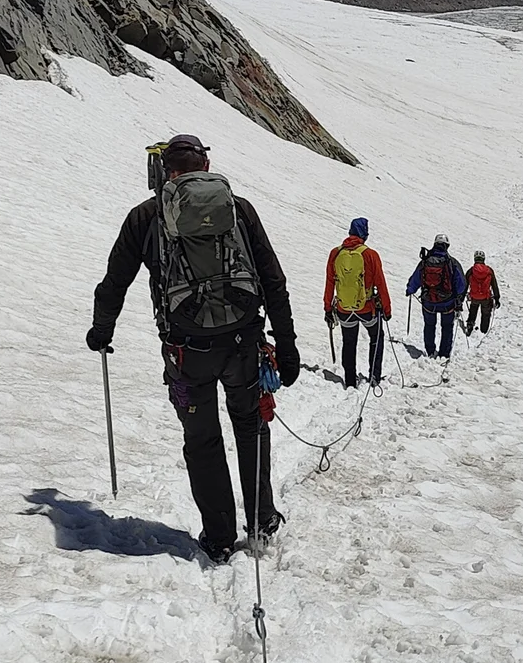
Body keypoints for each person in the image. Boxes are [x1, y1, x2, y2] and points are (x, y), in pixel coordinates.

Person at [89, 133, 298, 562]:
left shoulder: (145, 217)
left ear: (166, 171)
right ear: (205, 166)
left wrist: (101, 329)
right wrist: (288, 344)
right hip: (244, 344)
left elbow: (116, 282)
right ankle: (261, 520)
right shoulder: (239, 210)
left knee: (202, 441)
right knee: (251, 427)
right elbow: (273, 280)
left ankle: (219, 536)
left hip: (186, 353)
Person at [325, 217, 391, 389]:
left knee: (349, 342)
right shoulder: (370, 254)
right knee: (376, 337)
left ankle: (349, 381)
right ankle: (374, 377)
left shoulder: (336, 253)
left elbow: (330, 282)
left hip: (344, 309)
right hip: (367, 307)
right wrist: (386, 308)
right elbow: (380, 283)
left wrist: (327, 308)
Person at [408, 233, 467, 359]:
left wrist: (410, 289)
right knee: (447, 327)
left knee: (429, 325)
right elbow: (461, 284)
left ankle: (430, 351)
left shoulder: (425, 261)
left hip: (429, 301)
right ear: (447, 246)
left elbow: (416, 278)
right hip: (448, 303)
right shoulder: (452, 262)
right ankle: (444, 354)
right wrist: (459, 298)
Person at [464, 250, 501, 335]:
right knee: (486, 314)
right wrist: (497, 298)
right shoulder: (489, 270)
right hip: (486, 298)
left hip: (474, 297)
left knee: (473, 311)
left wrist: (460, 298)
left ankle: (470, 326)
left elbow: (465, 285)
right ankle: (484, 331)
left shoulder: (471, 270)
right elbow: (494, 285)